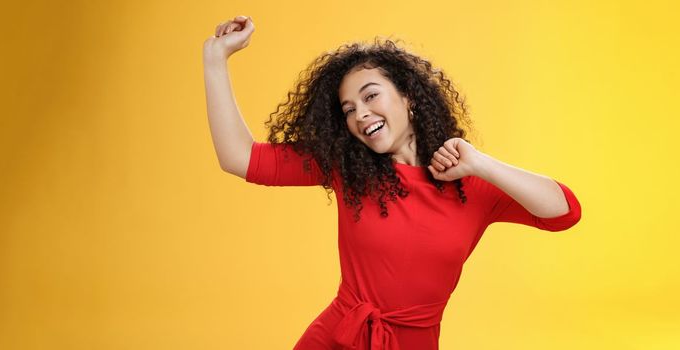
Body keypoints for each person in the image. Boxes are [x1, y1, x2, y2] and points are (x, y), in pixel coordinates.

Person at [203, 15, 583, 350]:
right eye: (349, 109)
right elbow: (240, 158)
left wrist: (481, 163)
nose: (361, 114)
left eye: (371, 96)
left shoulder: (470, 183)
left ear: (408, 97)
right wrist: (215, 59)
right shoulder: (347, 167)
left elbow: (565, 211)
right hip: (338, 338)